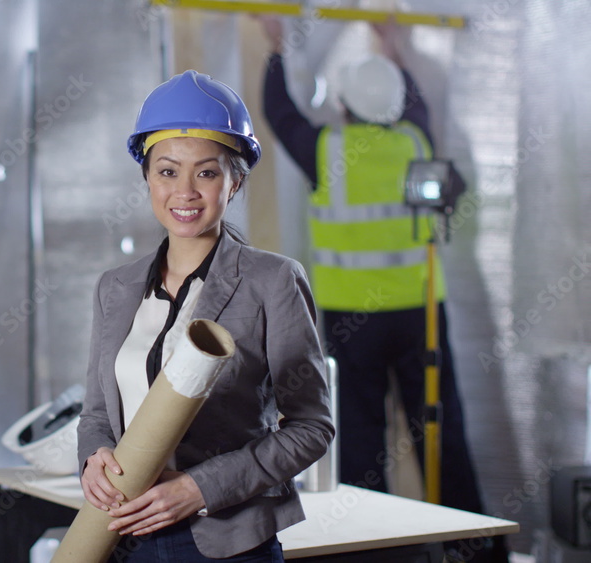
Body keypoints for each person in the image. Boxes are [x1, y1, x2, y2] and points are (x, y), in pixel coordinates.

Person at [258, 17, 508, 562]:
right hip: (421, 314)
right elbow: (412, 103)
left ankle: (372, 555)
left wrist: (277, 48)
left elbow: (280, 115)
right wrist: (395, 48)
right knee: (442, 434)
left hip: (353, 322)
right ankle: (478, 555)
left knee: (361, 438)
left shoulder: (326, 151)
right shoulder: (414, 138)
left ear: (343, 104)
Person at [77, 69, 335, 562]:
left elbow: (311, 427)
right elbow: (95, 416)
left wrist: (199, 488)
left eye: (208, 172)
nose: (186, 191)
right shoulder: (116, 288)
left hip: (224, 540)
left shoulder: (271, 281)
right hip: (121, 537)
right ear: (147, 178)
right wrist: (93, 458)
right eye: (168, 171)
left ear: (235, 181)